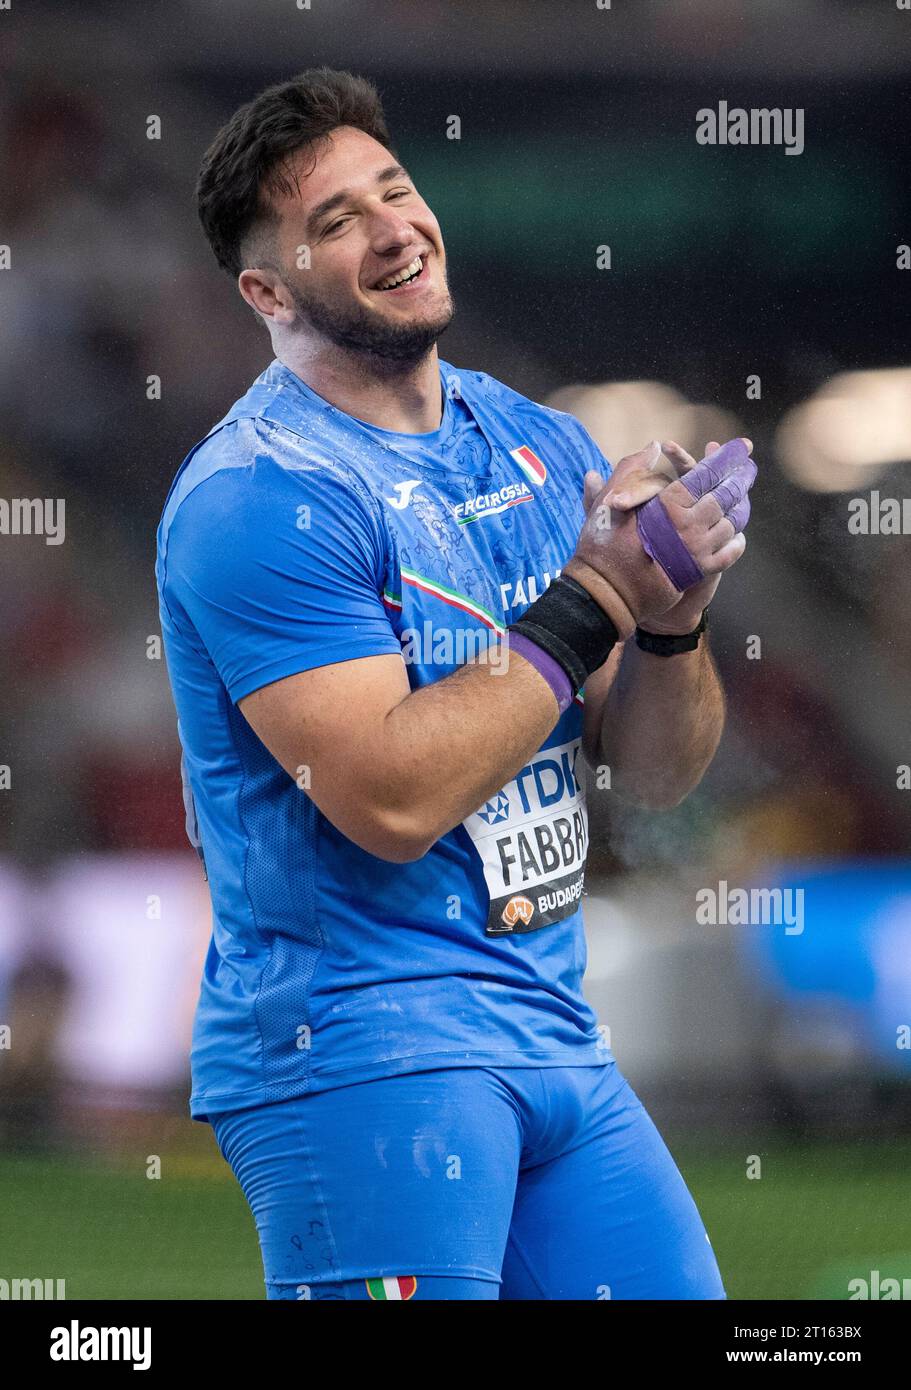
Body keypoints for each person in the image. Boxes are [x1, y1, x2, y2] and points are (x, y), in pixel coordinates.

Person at [156, 67, 755, 1301]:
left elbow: (653, 776)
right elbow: (390, 797)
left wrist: (670, 624)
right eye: (336, 221)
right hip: (358, 1052)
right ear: (266, 292)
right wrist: (596, 596)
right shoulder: (258, 497)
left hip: (551, 1030)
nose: (393, 229)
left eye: (395, 190)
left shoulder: (537, 442)